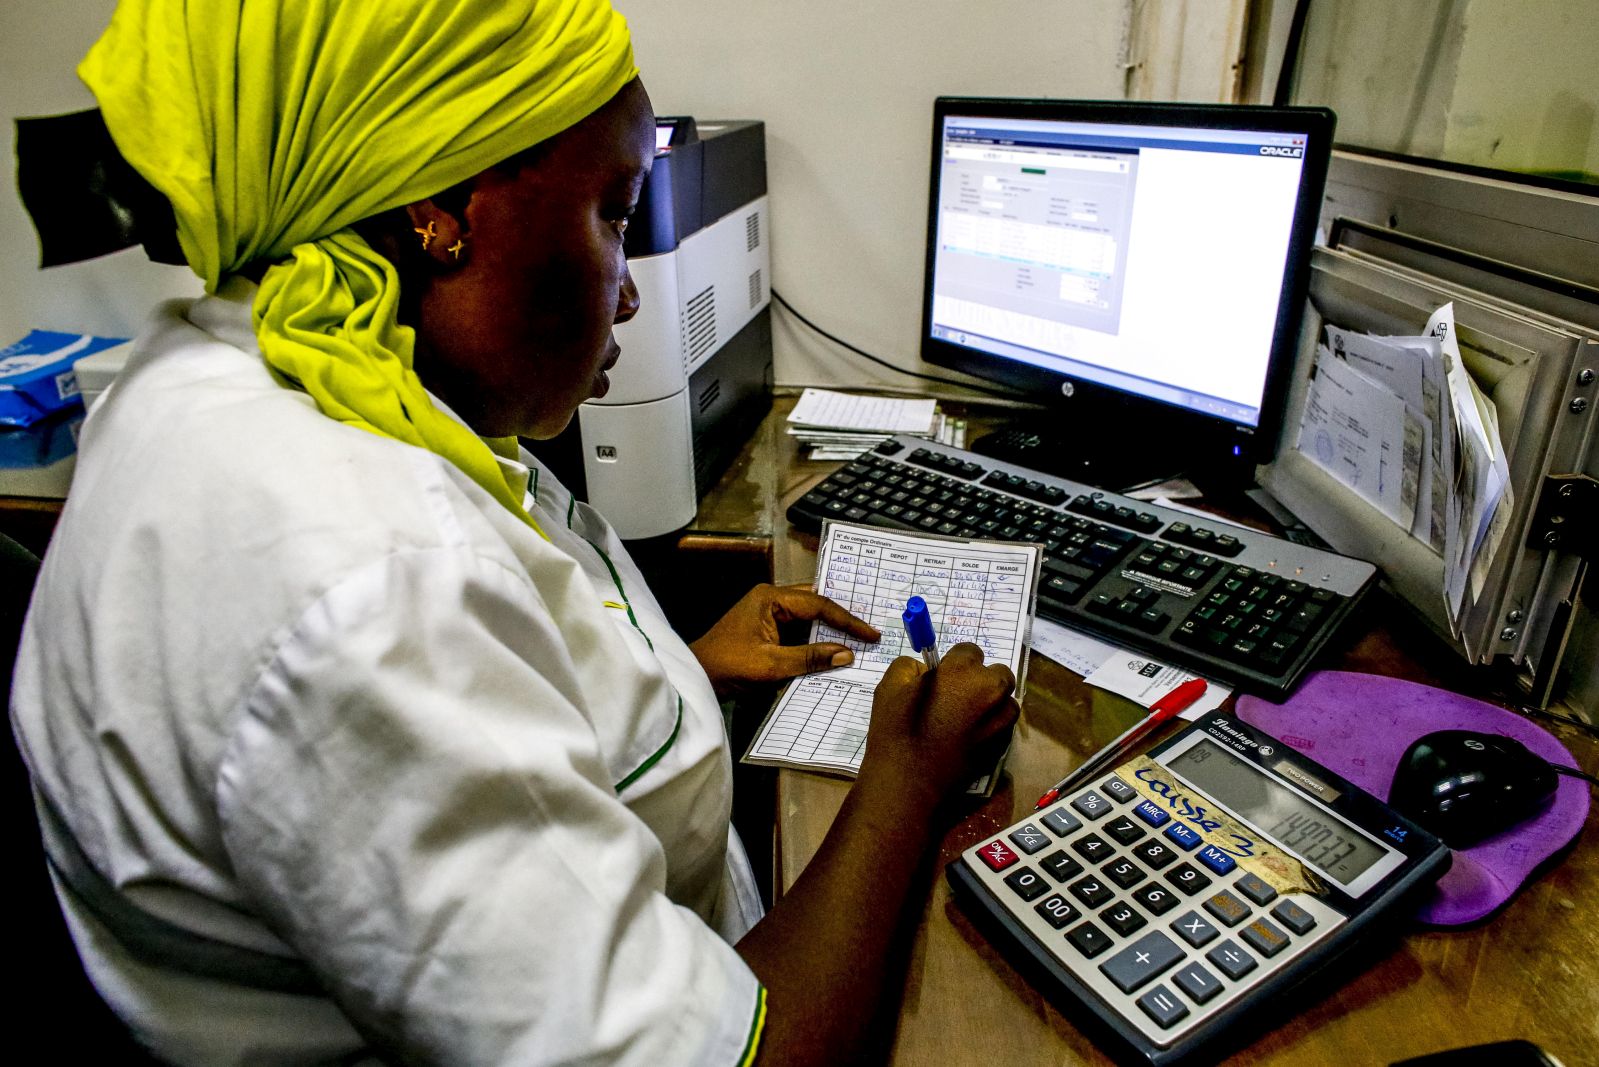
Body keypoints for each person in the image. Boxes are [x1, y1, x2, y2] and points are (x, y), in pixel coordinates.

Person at [9, 2, 1019, 1064]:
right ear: (439, 210)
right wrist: (907, 778)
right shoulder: (365, 582)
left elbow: (472, 695)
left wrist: (673, 669)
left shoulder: (228, 371)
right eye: (615, 213)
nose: (630, 295)